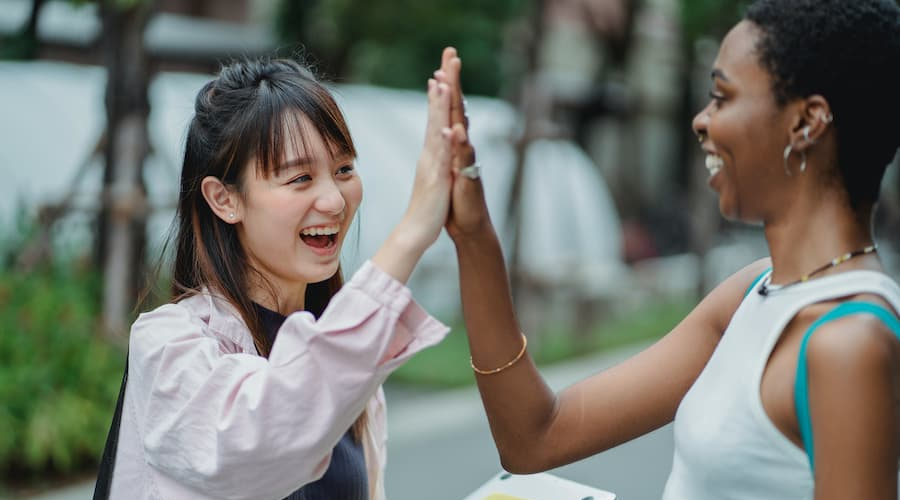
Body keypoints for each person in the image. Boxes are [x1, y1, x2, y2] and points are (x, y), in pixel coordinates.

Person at [440, 0, 900, 498]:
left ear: (806, 123)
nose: (702, 121)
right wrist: (474, 237)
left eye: (723, 97)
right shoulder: (754, 292)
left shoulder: (851, 343)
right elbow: (535, 437)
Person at [103, 52, 464, 500]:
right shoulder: (170, 347)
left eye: (344, 169)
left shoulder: (339, 349)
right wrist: (411, 233)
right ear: (224, 199)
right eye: (300, 178)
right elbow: (268, 440)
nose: (334, 200)